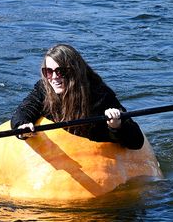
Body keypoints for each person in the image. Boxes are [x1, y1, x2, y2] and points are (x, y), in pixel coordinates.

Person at [12, 44, 145, 150]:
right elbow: (24, 110)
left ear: (74, 71)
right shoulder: (44, 88)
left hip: (94, 156)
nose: (54, 77)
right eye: (48, 71)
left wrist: (116, 126)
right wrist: (22, 126)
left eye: (60, 71)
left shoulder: (100, 95)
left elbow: (137, 142)